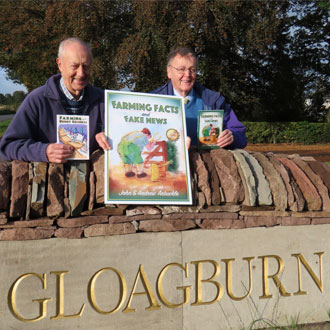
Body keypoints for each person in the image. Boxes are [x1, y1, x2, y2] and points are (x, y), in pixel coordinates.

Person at [0, 37, 109, 163]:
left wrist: (110, 138)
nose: (81, 73)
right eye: (75, 66)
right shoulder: (37, 100)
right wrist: (43, 151)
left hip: (92, 180)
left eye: (86, 66)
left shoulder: (104, 101)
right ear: (60, 65)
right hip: (49, 180)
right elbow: (8, 146)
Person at [152, 47, 247, 149]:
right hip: (169, 163)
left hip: (208, 163)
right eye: (181, 70)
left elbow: (240, 135)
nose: (187, 75)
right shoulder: (152, 101)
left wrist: (232, 136)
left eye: (192, 70)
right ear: (169, 72)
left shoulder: (214, 101)